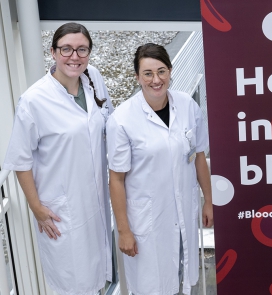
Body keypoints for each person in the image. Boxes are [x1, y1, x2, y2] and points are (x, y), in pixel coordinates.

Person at [3, 22, 113, 295]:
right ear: (52, 52)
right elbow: (20, 160)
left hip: (96, 200)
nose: (74, 57)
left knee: (96, 277)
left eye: (82, 49)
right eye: (66, 49)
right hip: (62, 211)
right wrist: (37, 208)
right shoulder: (34, 100)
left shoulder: (93, 78)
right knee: (72, 284)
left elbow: (110, 123)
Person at [107, 43, 213, 295]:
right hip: (148, 222)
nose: (156, 80)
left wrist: (208, 200)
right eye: (148, 73)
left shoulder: (187, 105)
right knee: (152, 286)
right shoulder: (122, 120)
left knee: (180, 279)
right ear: (137, 76)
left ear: (170, 71)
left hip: (182, 214)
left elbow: (199, 156)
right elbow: (116, 179)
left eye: (161, 71)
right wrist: (123, 231)